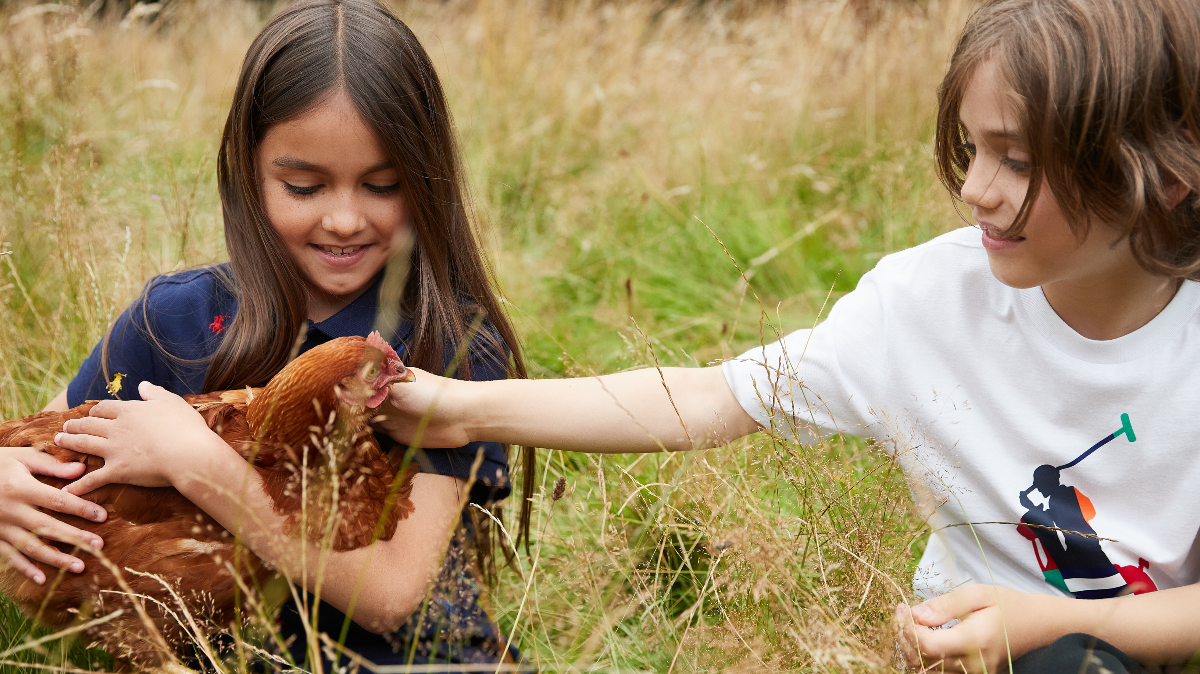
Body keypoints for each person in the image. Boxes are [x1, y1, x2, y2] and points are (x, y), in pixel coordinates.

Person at [374, 0, 1200, 671]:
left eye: (1017, 162)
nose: (977, 190)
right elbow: (706, 399)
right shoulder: (924, 304)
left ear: (1165, 175)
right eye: (973, 148)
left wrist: (1041, 624)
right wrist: (462, 409)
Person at [0, 0, 533, 669]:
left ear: (427, 180)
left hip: (392, 655)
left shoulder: (448, 345)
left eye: (382, 184)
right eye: (305, 186)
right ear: (251, 174)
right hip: (194, 646)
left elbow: (393, 595)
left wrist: (200, 469)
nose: (344, 219)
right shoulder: (175, 319)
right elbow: (48, 438)